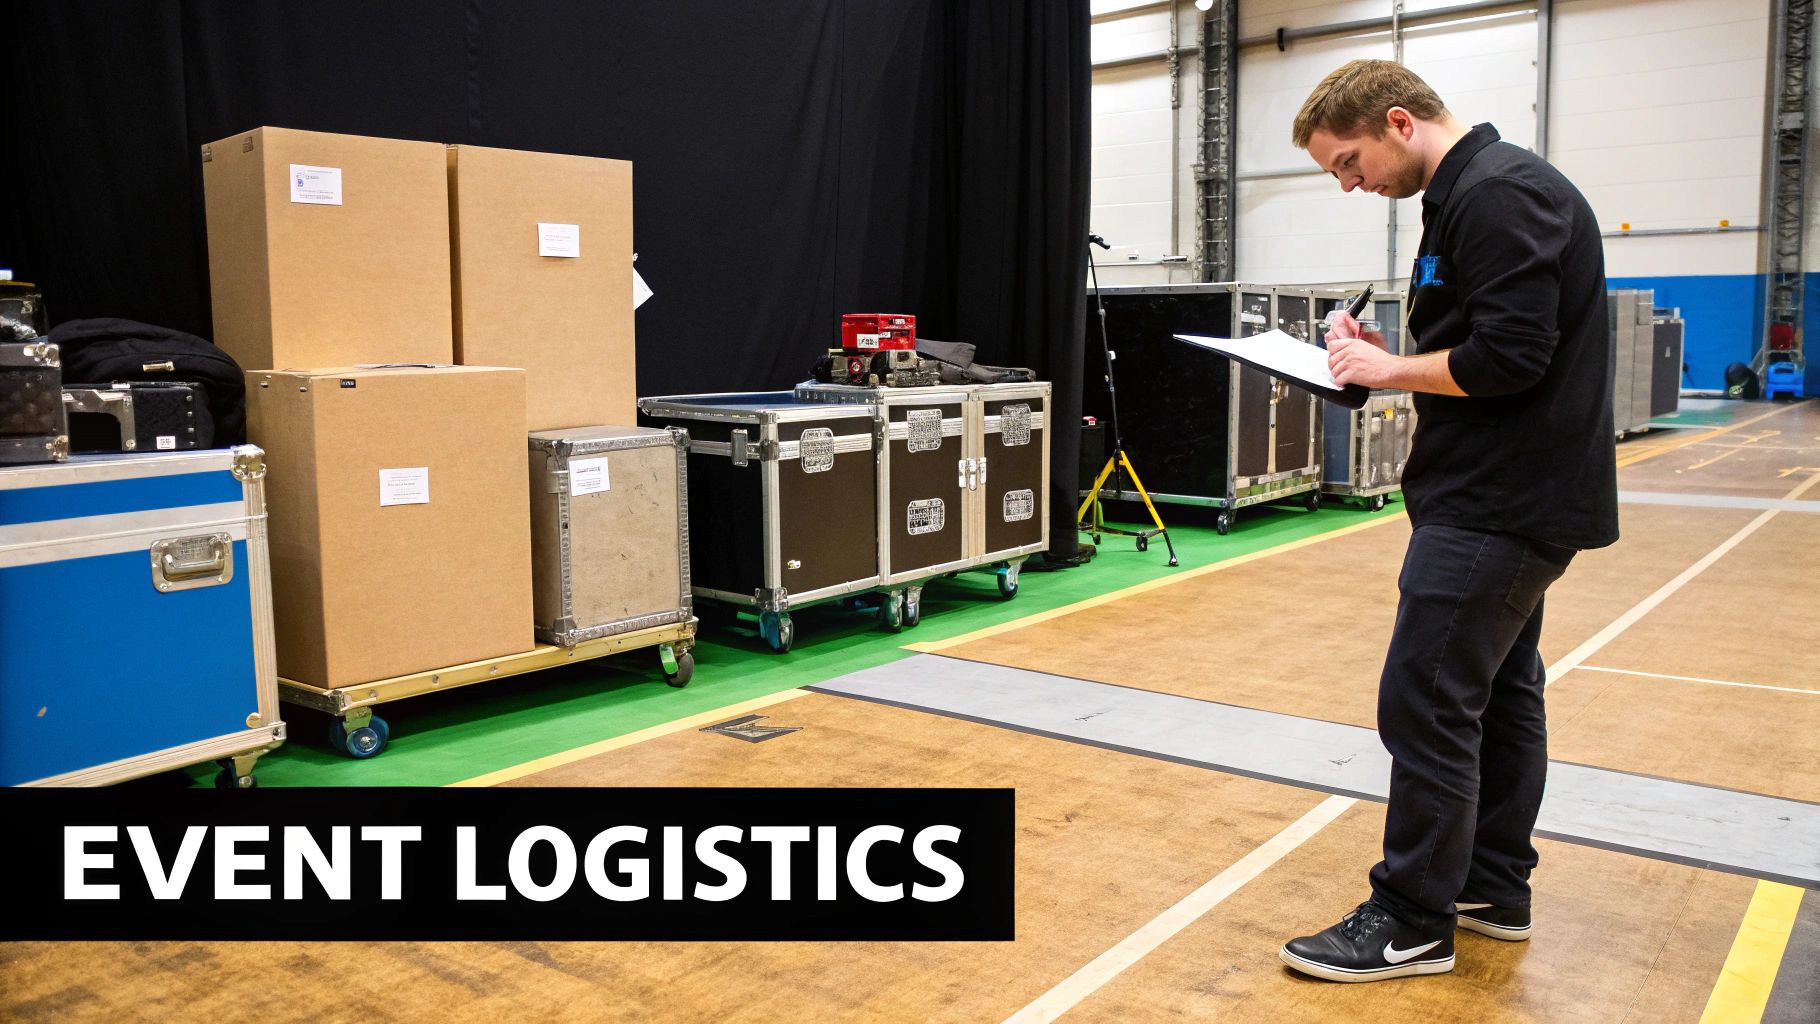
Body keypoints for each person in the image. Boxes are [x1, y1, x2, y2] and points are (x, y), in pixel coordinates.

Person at [1278, 60, 1619, 982]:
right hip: (1497, 491)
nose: (1351, 186)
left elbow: (1511, 358)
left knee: (1426, 698)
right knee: (1498, 694)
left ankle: (1411, 917)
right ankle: (1491, 886)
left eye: (1349, 162)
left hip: (1502, 503)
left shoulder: (1501, 194)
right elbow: (1479, 343)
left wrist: (1384, 374)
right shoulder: (1463, 195)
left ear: (1397, 122)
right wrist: (1392, 358)